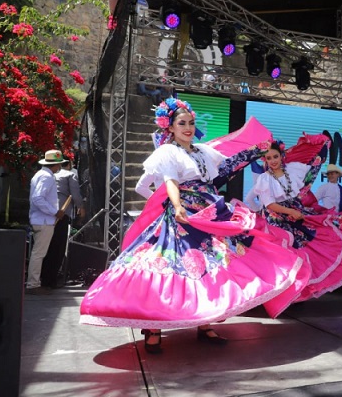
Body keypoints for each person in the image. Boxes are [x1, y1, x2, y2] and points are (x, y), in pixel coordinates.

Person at [80, 98, 304, 354]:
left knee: (212, 266)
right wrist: (174, 205)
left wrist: (256, 151)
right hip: (183, 217)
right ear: (170, 128)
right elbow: (171, 182)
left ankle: (205, 323)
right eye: (181, 123)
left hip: (209, 214)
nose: (187, 127)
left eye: (191, 122)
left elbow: (227, 167)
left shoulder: (202, 151)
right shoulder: (167, 152)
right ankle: (154, 328)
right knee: (169, 265)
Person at [252, 138, 342, 304]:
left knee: (318, 240)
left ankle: (296, 290)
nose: (272, 161)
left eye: (275, 156)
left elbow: (313, 169)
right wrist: (290, 211)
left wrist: (323, 146)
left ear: (282, 156)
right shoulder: (264, 178)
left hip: (295, 211)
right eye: (269, 158)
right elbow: (270, 204)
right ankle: (279, 293)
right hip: (276, 218)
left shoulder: (292, 171)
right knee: (284, 254)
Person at [26, 150, 67, 295]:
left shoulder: (39, 175)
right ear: (56, 165)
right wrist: (55, 212)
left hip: (40, 219)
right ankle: (33, 284)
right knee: (39, 254)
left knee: (38, 253)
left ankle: (33, 283)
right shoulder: (47, 177)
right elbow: (38, 198)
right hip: (43, 220)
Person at [41, 159, 85, 289]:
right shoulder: (70, 175)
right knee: (58, 247)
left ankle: (42, 278)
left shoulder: (45, 176)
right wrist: (81, 207)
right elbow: (75, 194)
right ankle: (51, 280)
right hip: (61, 214)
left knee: (46, 247)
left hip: (45, 213)